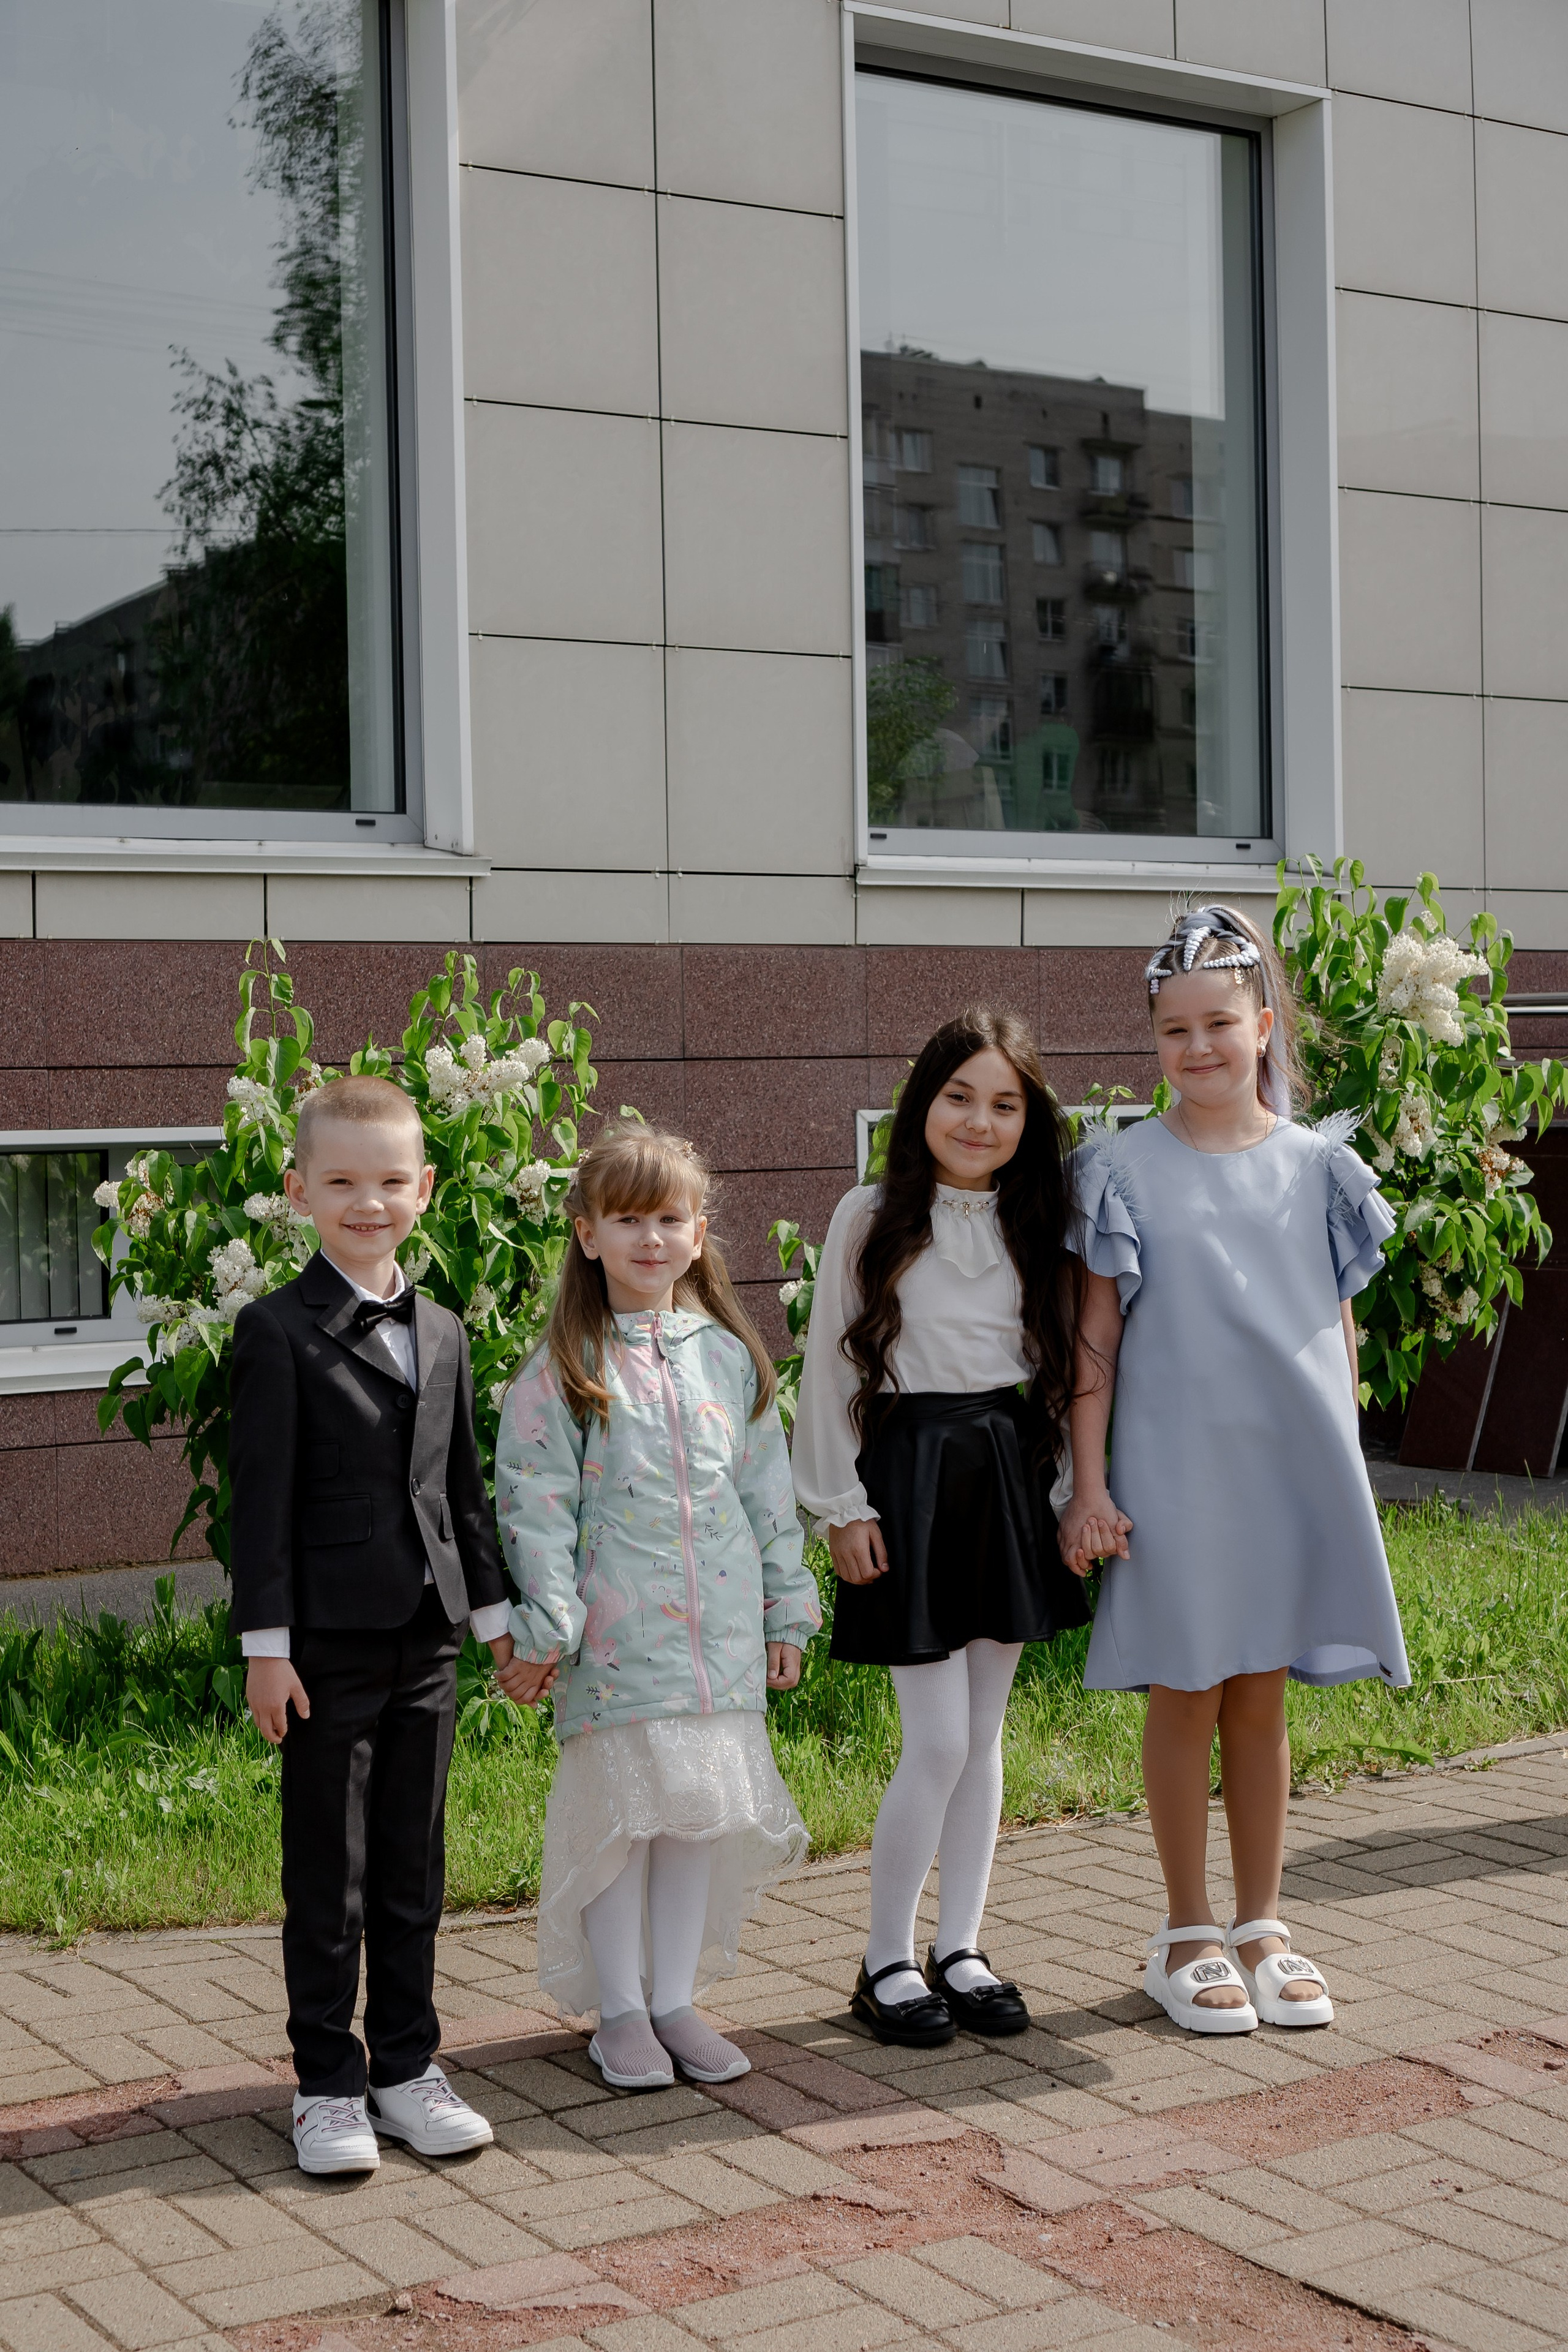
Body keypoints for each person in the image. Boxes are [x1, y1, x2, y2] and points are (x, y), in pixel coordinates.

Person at [1060, 905, 1409, 2035]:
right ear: (1153, 1042)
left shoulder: (1322, 1169)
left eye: (1220, 1023)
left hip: (1286, 1475)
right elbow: (1093, 1348)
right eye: (1174, 1031)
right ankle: (1185, 1929)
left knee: (1261, 1693)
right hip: (1173, 1477)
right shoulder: (1118, 1169)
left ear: (1263, 1026)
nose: (1198, 1048)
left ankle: (1263, 1921)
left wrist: (1341, 1467)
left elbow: (1340, 1333)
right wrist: (1092, 1483)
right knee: (1189, 1685)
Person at [492, 1123, 820, 2093]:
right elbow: (535, 1504)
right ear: (587, 1233)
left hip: (717, 1649)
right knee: (622, 1828)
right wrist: (549, 1626)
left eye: (668, 1219)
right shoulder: (563, 1367)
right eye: (627, 1219)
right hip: (616, 1647)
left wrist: (786, 1612)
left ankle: (675, 2000)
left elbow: (767, 1497)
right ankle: (622, 2012)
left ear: (699, 1232)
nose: (649, 1238)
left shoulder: (728, 1358)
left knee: (693, 1824)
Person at [232, 1073, 514, 2175]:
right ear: (300, 1189)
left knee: (413, 1864)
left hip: (428, 1641)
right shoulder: (275, 1332)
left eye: (391, 1180)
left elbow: (463, 1490)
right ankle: (326, 2083)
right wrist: (267, 1652)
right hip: (324, 1651)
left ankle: (405, 2066)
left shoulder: (440, 1328)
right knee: (329, 1874)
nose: (369, 1202)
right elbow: (258, 1509)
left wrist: (492, 1619)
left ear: (425, 1188)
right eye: (342, 1181)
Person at [792, 1006, 1087, 2048]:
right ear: (923, 1103)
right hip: (909, 1477)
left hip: (1006, 1474)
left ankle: (960, 1946)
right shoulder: (867, 1215)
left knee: (987, 1735)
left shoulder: (1044, 1221)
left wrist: (1062, 1501)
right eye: (960, 1096)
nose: (979, 1121)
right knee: (940, 1737)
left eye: (1006, 1104)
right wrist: (840, 1507)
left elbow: (1061, 1376)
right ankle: (883, 1959)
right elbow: (828, 1366)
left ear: (1029, 1120)